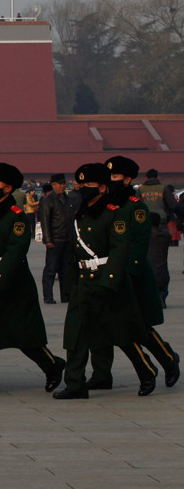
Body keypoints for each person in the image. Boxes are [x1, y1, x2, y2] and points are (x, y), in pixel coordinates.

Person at [0, 163, 66, 396]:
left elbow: (16, 252)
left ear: (7, 189)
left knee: (24, 335)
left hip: (12, 283)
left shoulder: (15, 217)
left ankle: (53, 365)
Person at [54, 164, 160, 399]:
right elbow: (74, 253)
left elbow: (120, 249)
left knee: (122, 334)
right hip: (84, 284)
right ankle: (74, 384)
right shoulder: (78, 214)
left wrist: (109, 282)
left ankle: (147, 371)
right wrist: (70, 284)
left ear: (102, 188)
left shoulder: (114, 214)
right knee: (76, 334)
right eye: (80, 185)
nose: (82, 189)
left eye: (88, 185)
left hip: (107, 282)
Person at [86, 156, 180, 391]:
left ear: (128, 180)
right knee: (111, 324)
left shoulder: (135, 206)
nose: (111, 181)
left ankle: (167, 359)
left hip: (130, 273)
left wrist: (127, 272)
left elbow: (138, 243)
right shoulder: (105, 202)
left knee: (137, 326)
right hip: (107, 271)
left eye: (115, 177)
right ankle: (103, 374)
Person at [39, 173, 75, 304]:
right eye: (59, 184)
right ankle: (48, 296)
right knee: (51, 269)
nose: (62, 186)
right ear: (53, 185)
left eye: (63, 183)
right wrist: (48, 239)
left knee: (66, 270)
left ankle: (66, 296)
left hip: (67, 239)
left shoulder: (68, 199)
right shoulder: (48, 200)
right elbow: (45, 220)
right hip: (55, 239)